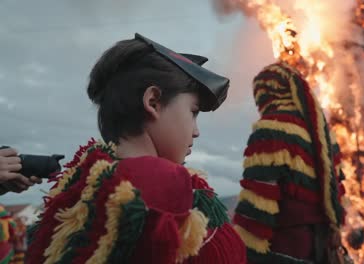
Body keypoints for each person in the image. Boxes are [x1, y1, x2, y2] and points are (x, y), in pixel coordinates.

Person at [25, 33, 246, 263]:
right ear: (153, 102)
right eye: (193, 111)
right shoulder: (162, 181)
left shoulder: (81, 183)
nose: (196, 131)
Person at [233, 62, 348, 263]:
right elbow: (338, 191)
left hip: (285, 248)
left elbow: (259, 198)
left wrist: (245, 249)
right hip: (322, 247)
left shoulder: (272, 128)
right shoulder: (325, 133)